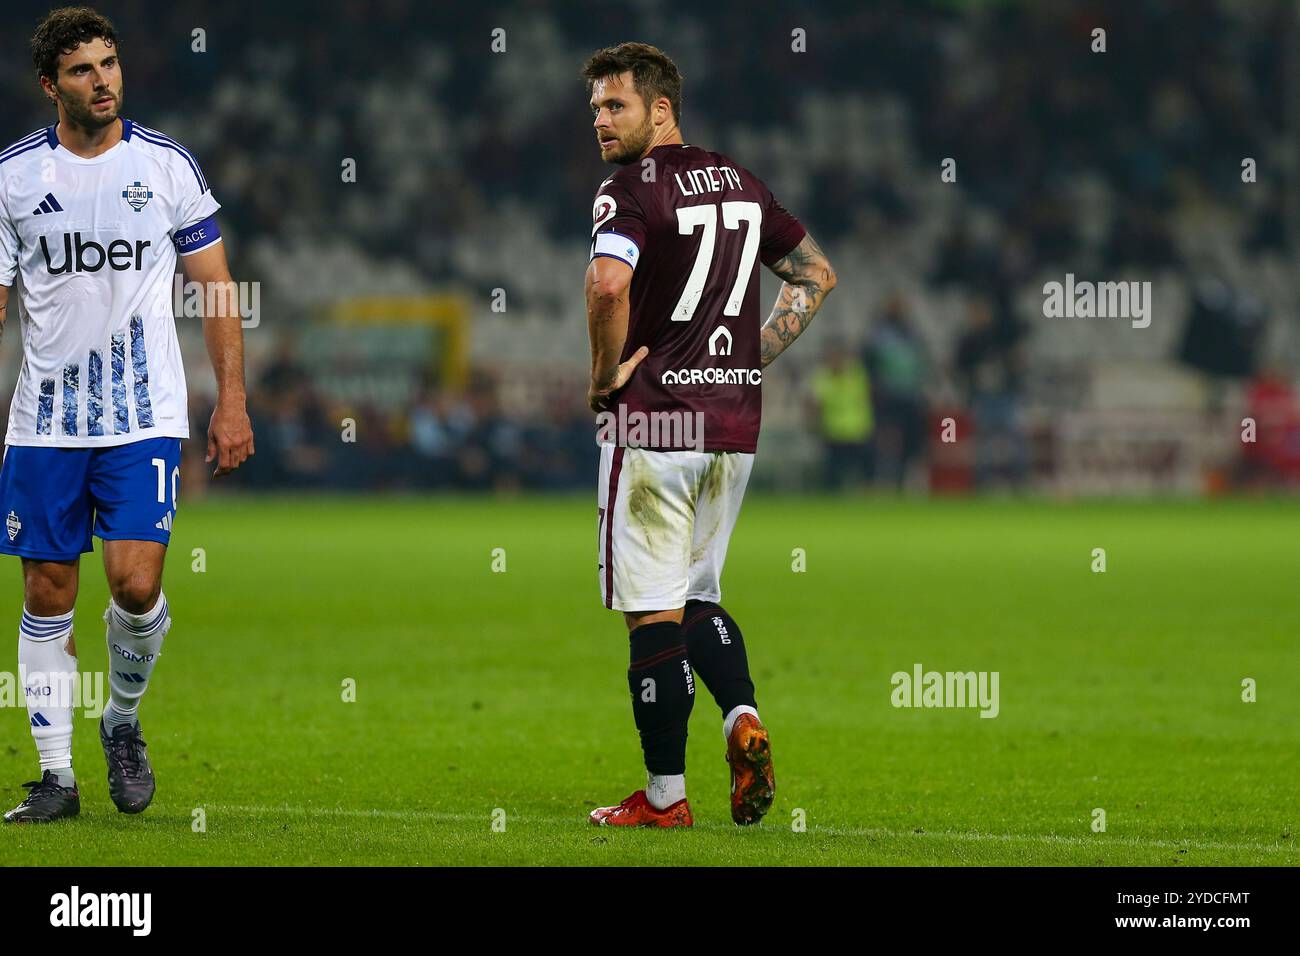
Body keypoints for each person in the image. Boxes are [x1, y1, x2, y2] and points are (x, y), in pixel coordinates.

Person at [0, 7, 254, 822]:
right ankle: (55, 779)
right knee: (46, 590)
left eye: (109, 63)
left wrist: (232, 401)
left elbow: (217, 289)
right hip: (44, 421)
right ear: (51, 85)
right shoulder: (12, 178)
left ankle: (121, 720)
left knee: (136, 585)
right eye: (82, 69)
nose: (103, 79)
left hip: (144, 412)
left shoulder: (167, 165)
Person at [582, 43, 836, 827]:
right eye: (594, 108)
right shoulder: (741, 181)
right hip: (733, 424)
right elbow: (816, 275)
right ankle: (741, 719)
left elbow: (607, 281)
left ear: (661, 109)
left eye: (615, 105)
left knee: (651, 611)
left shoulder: (628, 189)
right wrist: (748, 357)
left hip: (655, 420)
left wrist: (602, 378)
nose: (599, 121)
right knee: (698, 595)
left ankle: (665, 797)